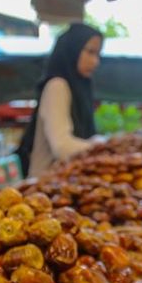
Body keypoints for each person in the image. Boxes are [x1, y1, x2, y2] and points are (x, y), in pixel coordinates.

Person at [17, 23, 104, 177]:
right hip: (46, 189)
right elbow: (62, 146)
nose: (95, 61)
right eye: (90, 52)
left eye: (97, 54)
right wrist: (105, 148)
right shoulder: (57, 86)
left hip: (67, 183)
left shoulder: (78, 88)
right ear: (72, 50)